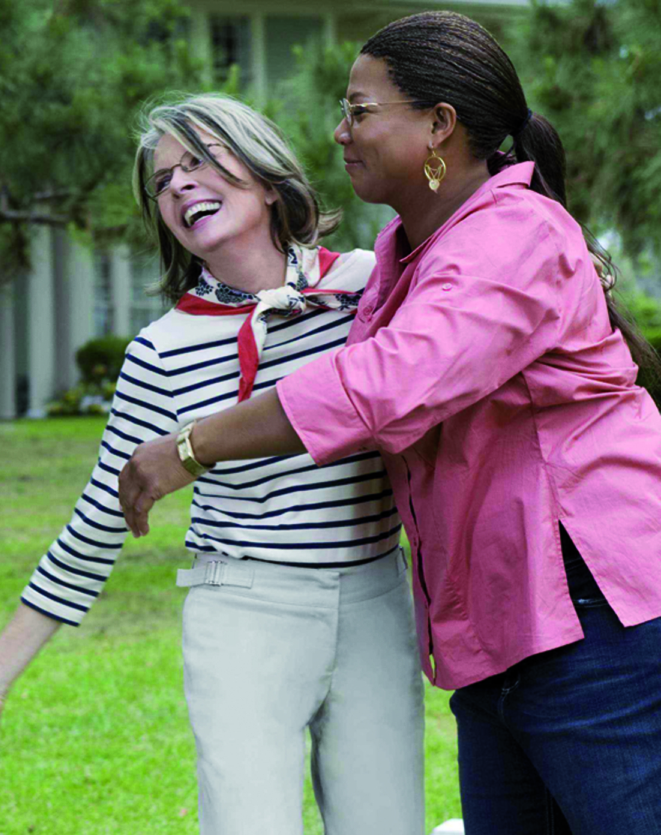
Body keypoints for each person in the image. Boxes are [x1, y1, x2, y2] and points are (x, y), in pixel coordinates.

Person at [118, 13, 661, 835]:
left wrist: (190, 447)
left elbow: (387, 382)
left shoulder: (514, 232)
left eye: (361, 111)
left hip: (597, 624)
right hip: (499, 630)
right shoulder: (406, 255)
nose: (340, 131)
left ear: (439, 125)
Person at [0, 93, 424, 833]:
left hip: (380, 597)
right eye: (162, 182)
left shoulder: (363, 284)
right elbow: (96, 524)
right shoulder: (162, 350)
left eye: (197, 159)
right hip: (246, 611)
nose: (179, 184)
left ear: (262, 168)